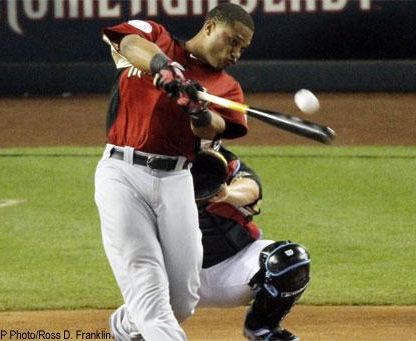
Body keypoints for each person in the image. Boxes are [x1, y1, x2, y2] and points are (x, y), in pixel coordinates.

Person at [94, 3, 254, 340]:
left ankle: (124, 327)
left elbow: (214, 127)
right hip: (122, 174)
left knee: (182, 300)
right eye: (232, 41)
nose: (235, 53)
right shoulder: (159, 39)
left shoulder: (228, 89)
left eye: (242, 48)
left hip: (176, 181)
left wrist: (196, 109)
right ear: (210, 27)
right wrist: (166, 71)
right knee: (147, 281)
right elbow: (129, 44)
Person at [194, 142, 311, 341]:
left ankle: (261, 328)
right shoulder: (148, 166)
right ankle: (130, 326)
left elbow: (250, 188)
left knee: (290, 259)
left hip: (230, 271)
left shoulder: (223, 163)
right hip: (172, 280)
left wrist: (227, 194)